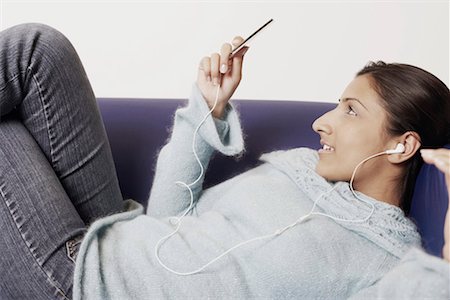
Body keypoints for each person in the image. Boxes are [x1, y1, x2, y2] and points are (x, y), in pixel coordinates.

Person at [0, 23, 448, 300]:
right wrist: (208, 108)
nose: (321, 122)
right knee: (38, 49)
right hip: (119, 231)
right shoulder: (301, 169)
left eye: (351, 111)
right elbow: (168, 221)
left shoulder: (387, 264)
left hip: (86, 284)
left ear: (401, 147)